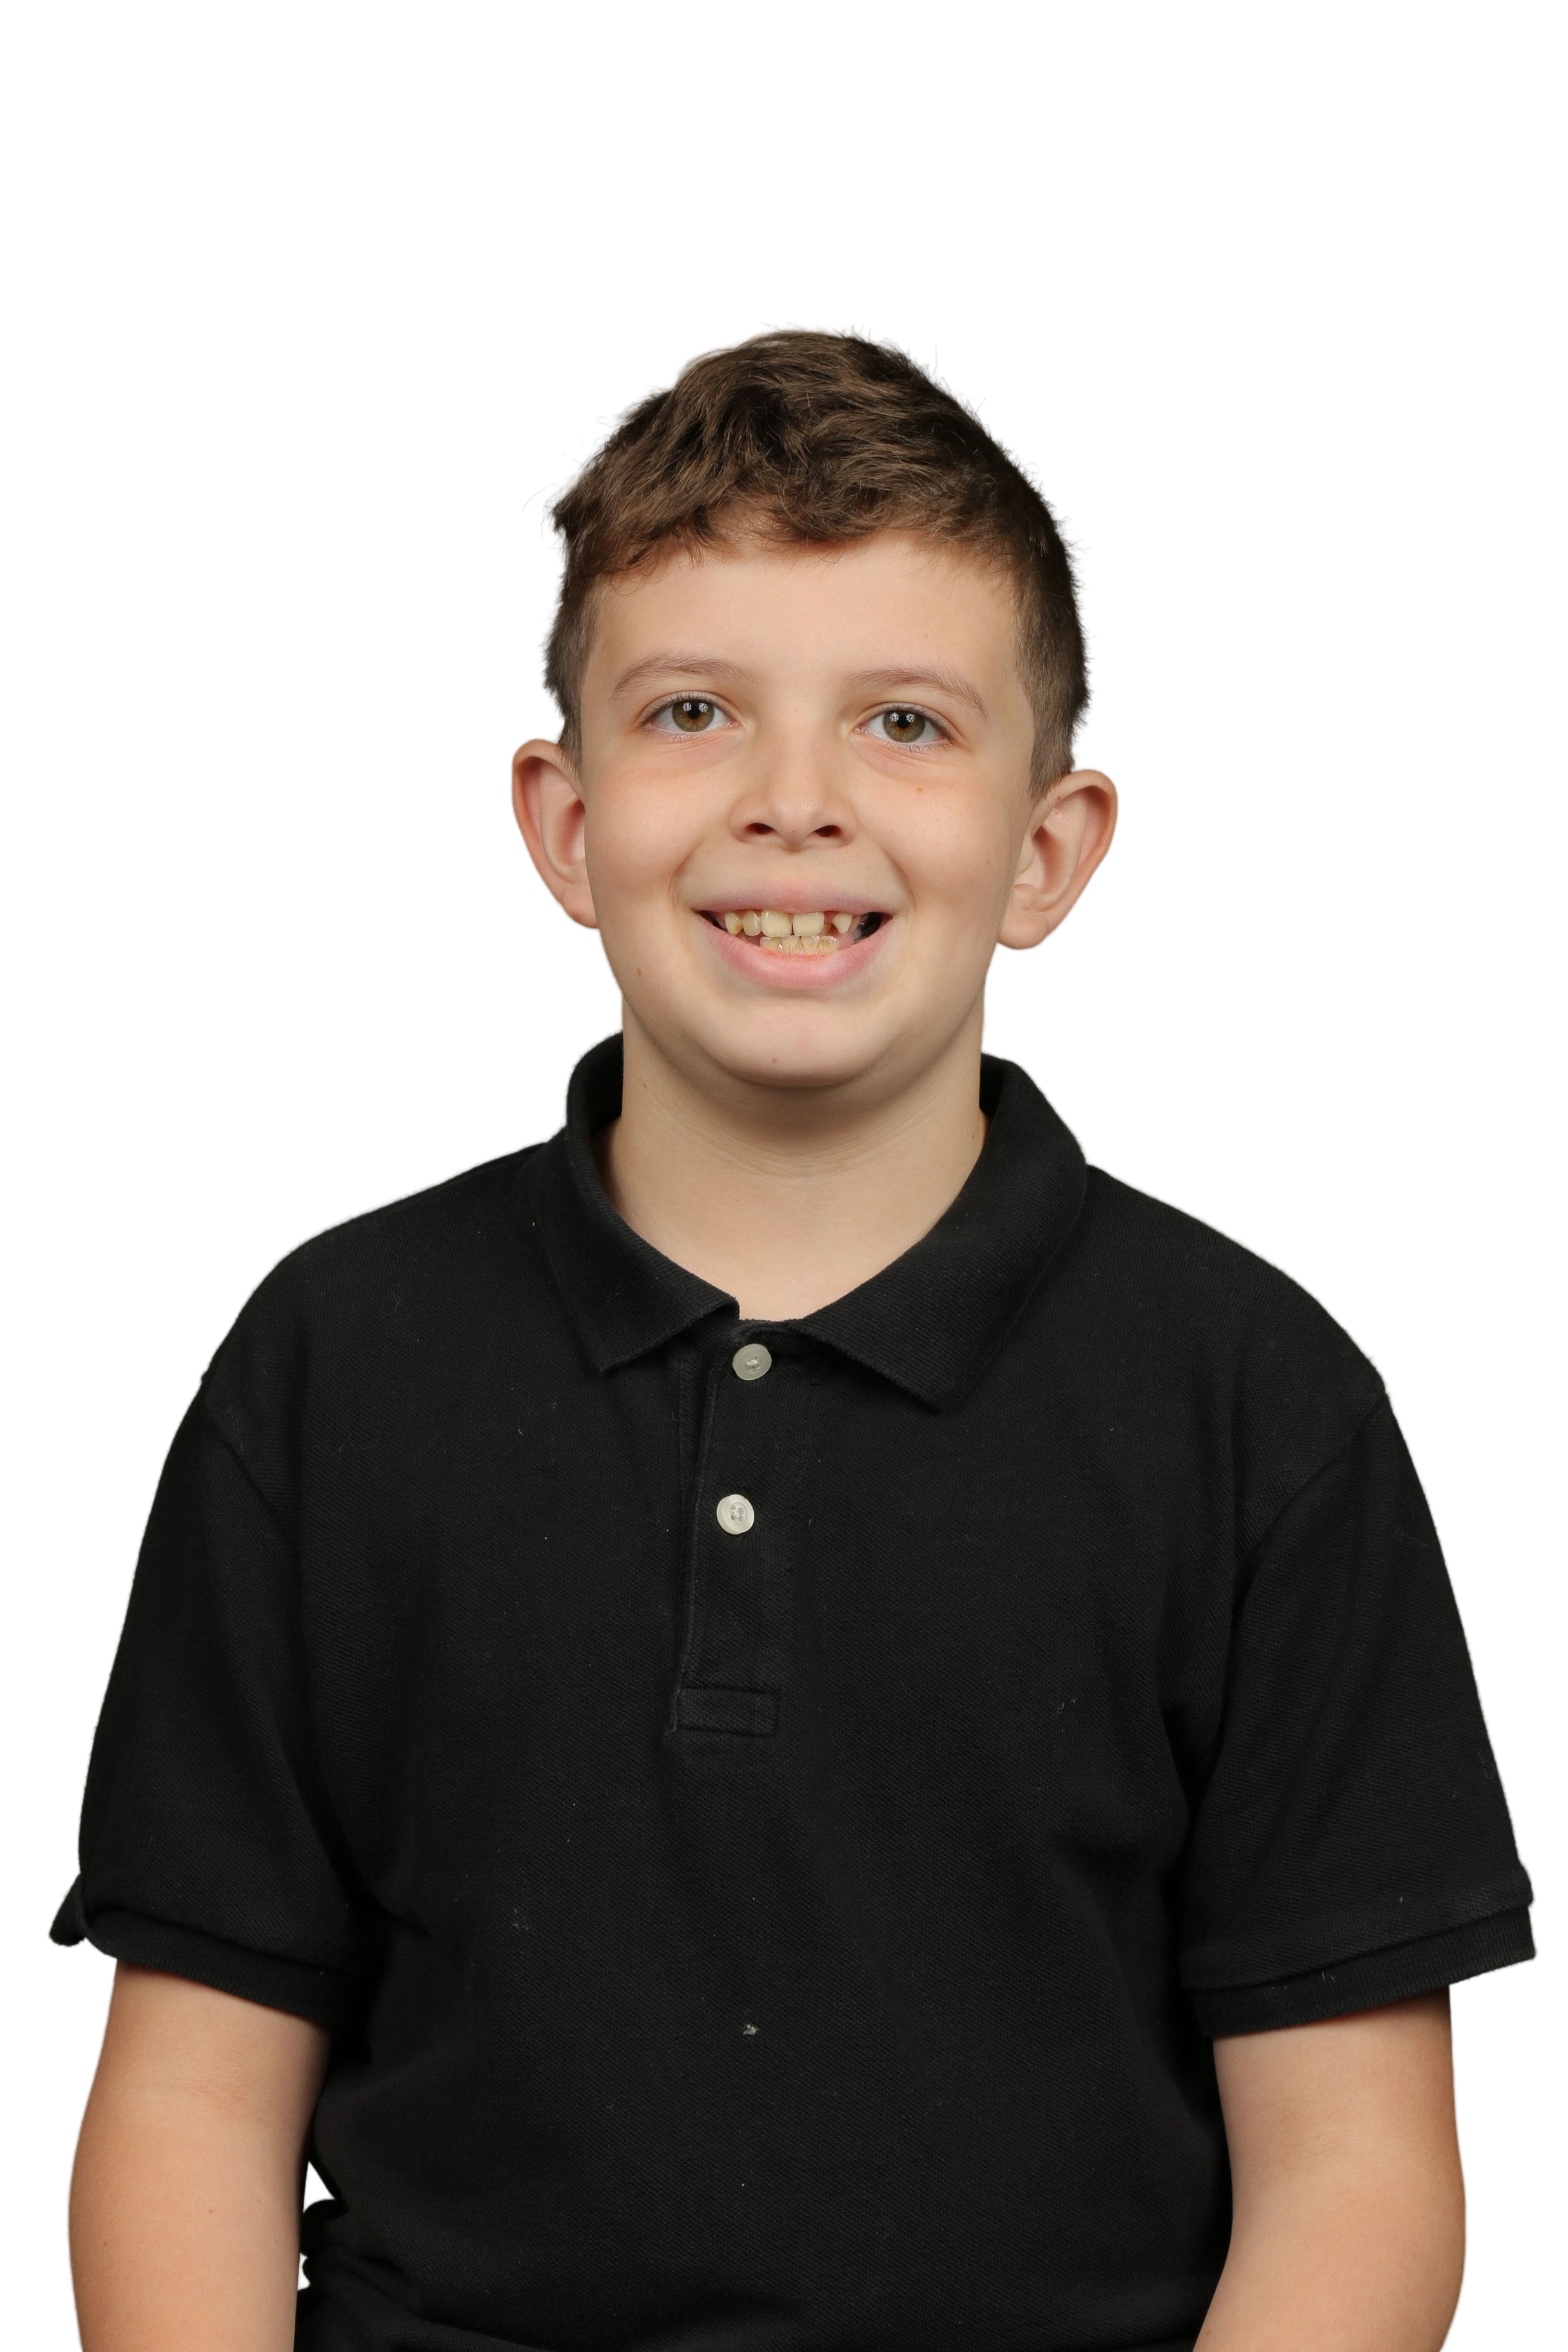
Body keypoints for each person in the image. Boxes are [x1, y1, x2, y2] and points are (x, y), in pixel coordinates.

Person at [52, 320, 1534, 2352]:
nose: (795, 806)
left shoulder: (1260, 1404)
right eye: (694, 712)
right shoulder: (327, 1367)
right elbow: (192, 2105)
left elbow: (1357, 2176)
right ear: (567, 825)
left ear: (1049, 850)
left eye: (904, 723)